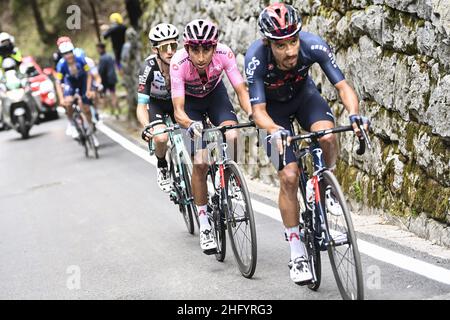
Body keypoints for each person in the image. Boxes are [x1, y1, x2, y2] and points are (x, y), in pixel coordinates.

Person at [245, 3, 369, 285]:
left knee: (327, 136)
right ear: (268, 42)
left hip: (305, 100)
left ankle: (326, 186)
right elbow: (257, 111)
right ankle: (297, 250)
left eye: (293, 41)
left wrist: (354, 114)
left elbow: (343, 87)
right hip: (273, 114)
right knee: (289, 176)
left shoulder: (313, 46)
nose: (290, 51)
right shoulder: (255, 57)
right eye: (281, 45)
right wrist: (275, 130)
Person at [170, 19, 252, 254]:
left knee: (233, 134)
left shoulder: (225, 54)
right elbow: (178, 111)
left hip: (216, 96)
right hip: (191, 105)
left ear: (215, 48)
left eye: (207, 49)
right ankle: (205, 222)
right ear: (187, 49)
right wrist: (190, 124)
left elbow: (240, 90)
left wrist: (251, 112)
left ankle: (230, 175)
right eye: (195, 49)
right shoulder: (178, 64)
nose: (201, 56)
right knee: (201, 162)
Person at [137, 23, 179, 192]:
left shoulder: (182, 61)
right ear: (155, 50)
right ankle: (162, 165)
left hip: (177, 100)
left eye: (173, 46)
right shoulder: (147, 68)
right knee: (161, 138)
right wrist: (147, 127)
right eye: (164, 47)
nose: (170, 51)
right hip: (157, 103)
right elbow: (141, 105)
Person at [54, 37, 98, 146]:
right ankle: (72, 123)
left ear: (73, 52)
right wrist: (61, 98)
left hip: (83, 81)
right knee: (68, 102)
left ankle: (92, 131)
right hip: (70, 82)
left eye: (70, 52)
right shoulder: (61, 65)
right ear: (62, 55)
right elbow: (58, 83)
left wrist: (88, 89)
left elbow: (89, 75)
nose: (68, 56)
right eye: (65, 54)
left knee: (87, 109)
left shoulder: (80, 59)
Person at [97, 43, 120, 118]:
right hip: (113, 77)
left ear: (101, 49)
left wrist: (99, 79)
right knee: (113, 94)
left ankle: (110, 110)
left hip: (106, 79)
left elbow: (101, 70)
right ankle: (117, 111)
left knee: (105, 95)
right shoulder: (110, 56)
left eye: (98, 48)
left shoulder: (102, 58)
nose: (97, 50)